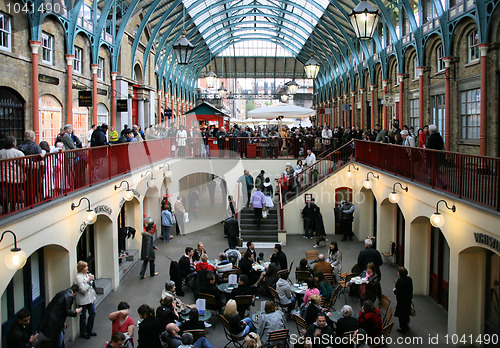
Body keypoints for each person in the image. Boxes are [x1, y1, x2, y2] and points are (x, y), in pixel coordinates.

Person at [75, 261, 97, 339]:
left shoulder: (86, 274)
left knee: (93, 313)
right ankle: (84, 332)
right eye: (86, 267)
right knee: (83, 317)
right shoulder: (78, 278)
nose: (87, 268)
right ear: (82, 268)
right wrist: (89, 281)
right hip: (83, 301)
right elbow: (83, 290)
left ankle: (89, 330)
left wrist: (91, 280)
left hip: (90, 299)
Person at [393, 267, 413, 333]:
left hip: (401, 300)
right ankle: (406, 325)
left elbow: (398, 291)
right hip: (408, 299)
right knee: (406, 313)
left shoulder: (400, 281)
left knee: (401, 314)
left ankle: (403, 328)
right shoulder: (409, 279)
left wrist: (395, 291)